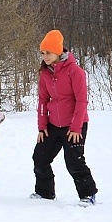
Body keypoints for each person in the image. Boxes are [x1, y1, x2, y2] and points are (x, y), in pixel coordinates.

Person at [31, 29, 98, 206]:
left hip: (74, 125)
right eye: (43, 53)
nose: (45, 56)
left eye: (49, 52)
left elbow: (82, 101)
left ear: (58, 52)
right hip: (53, 125)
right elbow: (43, 101)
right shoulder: (45, 73)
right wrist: (42, 126)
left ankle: (88, 194)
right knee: (40, 157)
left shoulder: (75, 71)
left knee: (74, 162)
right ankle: (45, 192)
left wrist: (76, 128)